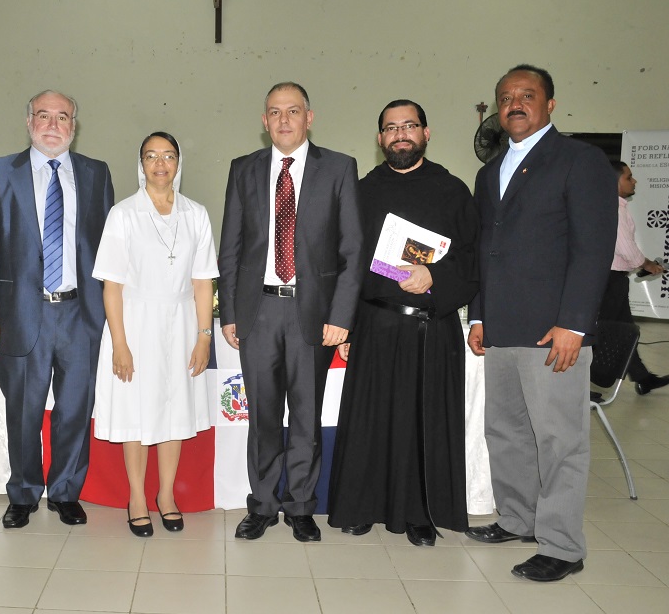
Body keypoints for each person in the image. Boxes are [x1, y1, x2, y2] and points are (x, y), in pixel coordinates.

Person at [466, 65, 617, 581]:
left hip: (554, 331)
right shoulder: (489, 172)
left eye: (527, 95)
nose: (515, 104)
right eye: (506, 96)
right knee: (505, 431)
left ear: (550, 104)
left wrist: (574, 323)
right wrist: (479, 313)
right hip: (500, 328)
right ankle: (518, 518)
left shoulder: (580, 160)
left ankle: (563, 546)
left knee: (559, 440)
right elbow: (485, 249)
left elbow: (593, 248)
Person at [326, 100, 478, 547]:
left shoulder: (452, 190)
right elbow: (344, 262)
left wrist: (435, 276)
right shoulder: (361, 191)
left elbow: (474, 258)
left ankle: (420, 513)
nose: (400, 134)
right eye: (391, 128)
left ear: (426, 133)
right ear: (380, 139)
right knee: (370, 421)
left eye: (409, 125)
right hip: (375, 324)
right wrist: (346, 323)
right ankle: (362, 506)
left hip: (432, 328)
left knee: (422, 423)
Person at [218, 81, 363, 542]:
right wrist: (229, 312)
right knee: (262, 416)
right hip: (257, 311)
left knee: (305, 415)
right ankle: (262, 504)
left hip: (313, 314)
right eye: (275, 112)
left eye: (293, 111)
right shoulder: (243, 168)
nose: (284, 120)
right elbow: (231, 247)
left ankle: (301, 505)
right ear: (264, 121)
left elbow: (353, 250)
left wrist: (341, 316)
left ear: (309, 117)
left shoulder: (339, 168)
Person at [0, 90, 114, 529]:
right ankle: (23, 492)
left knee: (75, 409)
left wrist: (112, 316)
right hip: (20, 314)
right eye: (44, 116)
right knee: (23, 411)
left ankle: (66, 491)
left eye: (63, 117)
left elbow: (110, 251)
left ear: (74, 125)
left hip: (81, 314)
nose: (53, 125)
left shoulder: (95, 173)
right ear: (29, 121)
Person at [92, 132, 218, 537]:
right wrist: (120, 343)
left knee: (173, 409)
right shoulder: (123, 214)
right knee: (137, 411)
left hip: (181, 324)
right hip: (135, 323)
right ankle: (136, 498)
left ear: (179, 163)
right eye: (151, 156)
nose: (160, 164)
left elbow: (203, 282)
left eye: (168, 156)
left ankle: (166, 495)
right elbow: (111, 287)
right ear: (141, 164)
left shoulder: (196, 214)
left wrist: (203, 337)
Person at [592, 161, 668, 395]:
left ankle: (643, 378)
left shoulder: (609, 205)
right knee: (603, 333)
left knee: (624, 330)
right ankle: (583, 382)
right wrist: (647, 264)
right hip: (609, 281)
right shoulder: (614, 208)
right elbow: (625, 248)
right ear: (614, 181)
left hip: (611, 280)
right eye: (629, 177)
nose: (634, 181)